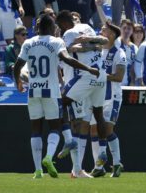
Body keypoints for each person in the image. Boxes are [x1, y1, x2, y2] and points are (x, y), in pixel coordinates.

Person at [13, 14, 99, 179]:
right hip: (51, 91)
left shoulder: (28, 43)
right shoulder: (56, 42)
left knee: (35, 130)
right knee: (54, 128)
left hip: (33, 91)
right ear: (51, 27)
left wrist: (18, 81)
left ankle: (38, 170)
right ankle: (49, 157)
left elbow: (17, 66)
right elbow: (67, 59)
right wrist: (88, 69)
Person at [56, 10, 109, 172]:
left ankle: (68, 139)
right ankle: (103, 152)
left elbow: (66, 53)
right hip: (101, 75)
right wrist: (86, 45)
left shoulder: (69, 33)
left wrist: (77, 47)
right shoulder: (87, 27)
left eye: (60, 26)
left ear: (64, 24)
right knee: (98, 115)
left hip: (85, 76)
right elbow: (100, 44)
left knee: (60, 103)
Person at [90, 21, 126, 178]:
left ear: (111, 34)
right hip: (96, 96)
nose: (101, 30)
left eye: (104, 29)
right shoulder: (96, 52)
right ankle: (107, 165)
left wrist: (101, 75)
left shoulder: (119, 53)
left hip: (112, 97)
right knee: (96, 130)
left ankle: (109, 162)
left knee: (106, 129)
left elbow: (119, 77)